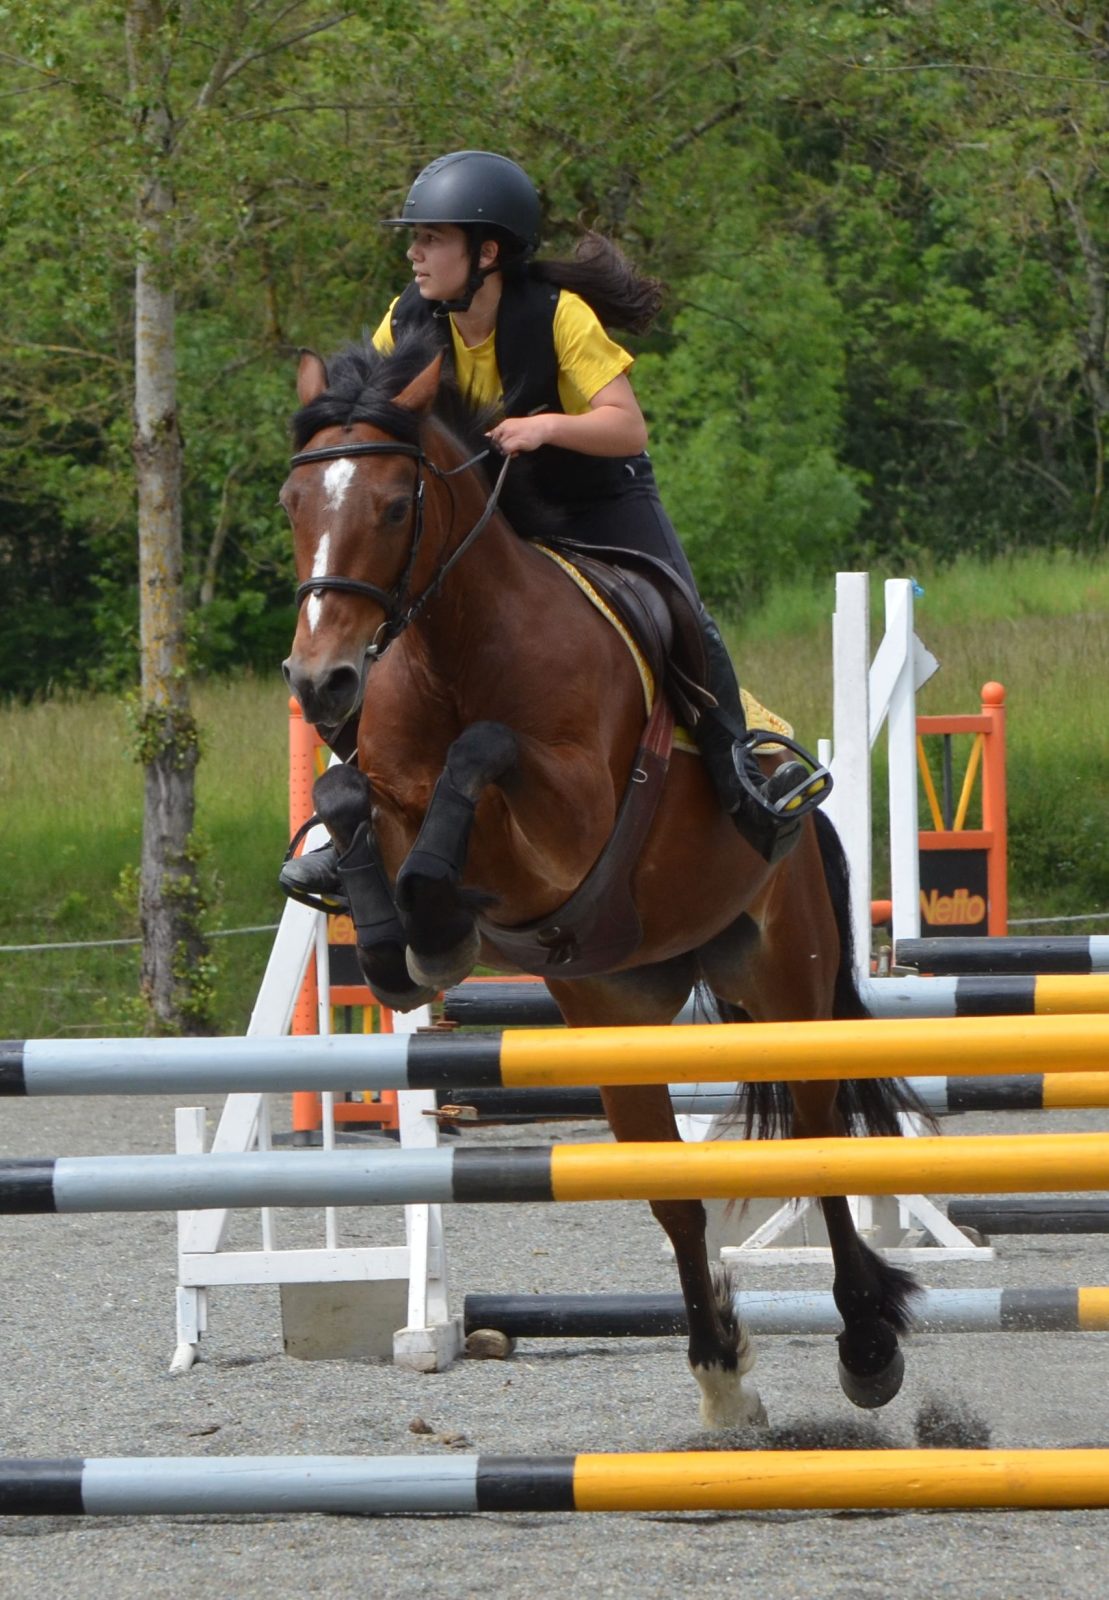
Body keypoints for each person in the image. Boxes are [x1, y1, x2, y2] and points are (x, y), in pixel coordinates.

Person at [281, 150, 829, 903]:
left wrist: (546, 428)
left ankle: (743, 769)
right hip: (486, 517)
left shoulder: (556, 316)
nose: (414, 252)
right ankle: (354, 817)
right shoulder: (405, 320)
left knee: (675, 613)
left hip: (595, 496)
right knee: (392, 624)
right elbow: (369, 423)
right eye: (416, 238)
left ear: (487, 252)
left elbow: (625, 427)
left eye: (432, 238)